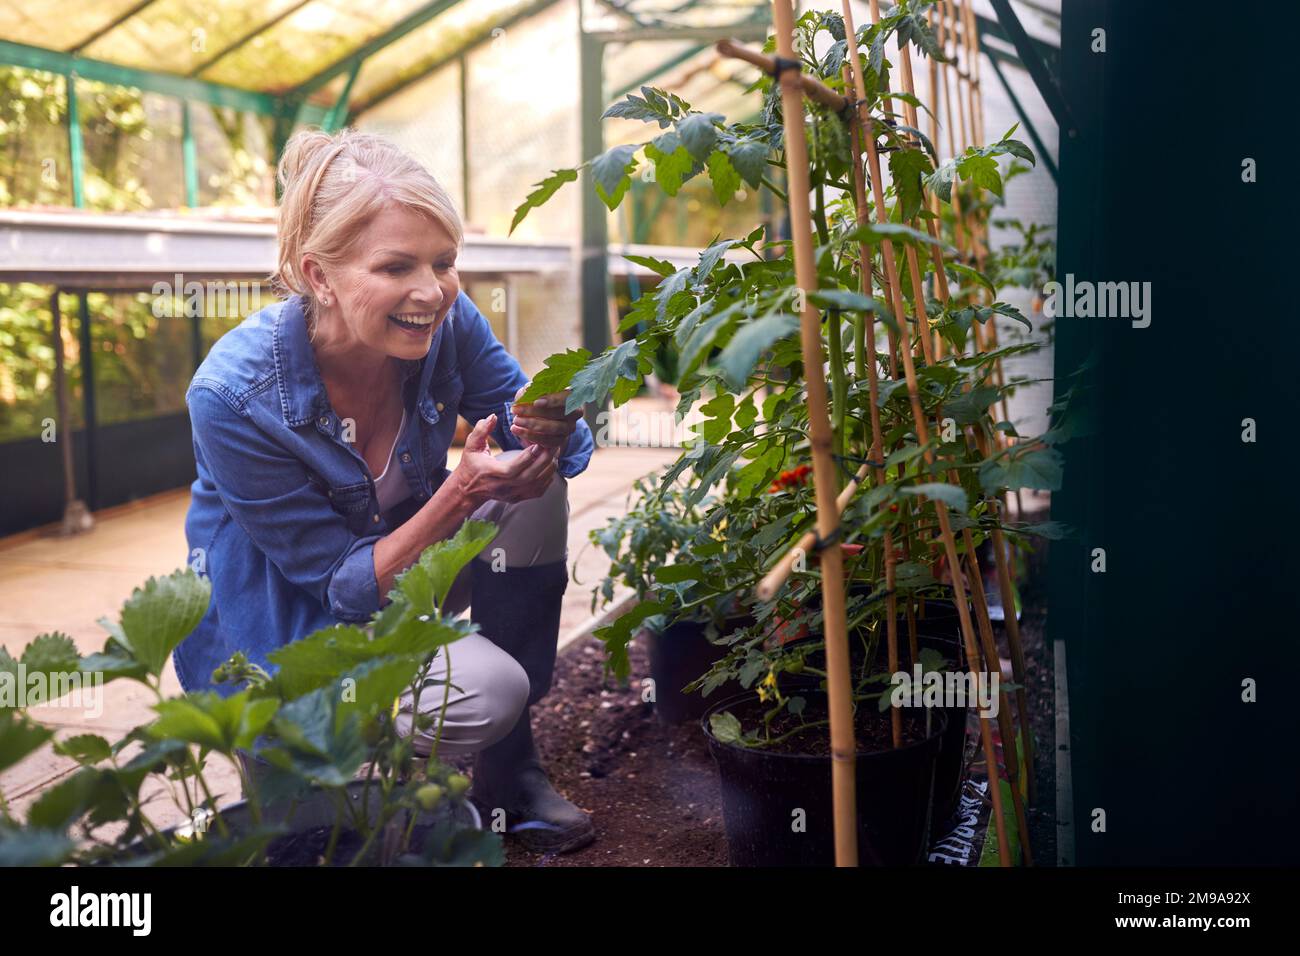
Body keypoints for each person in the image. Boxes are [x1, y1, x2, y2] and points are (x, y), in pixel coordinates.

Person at [174, 127, 596, 853]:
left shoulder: (446, 322)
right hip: (287, 635)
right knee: (319, 826)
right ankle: (293, 763)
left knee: (541, 492)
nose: (430, 292)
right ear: (318, 275)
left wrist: (552, 424)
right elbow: (340, 585)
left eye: (444, 263)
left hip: (404, 580)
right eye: (396, 266)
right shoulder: (233, 395)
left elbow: (550, 430)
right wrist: (460, 492)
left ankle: (510, 769)